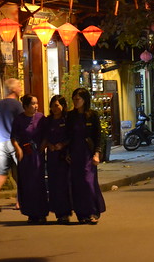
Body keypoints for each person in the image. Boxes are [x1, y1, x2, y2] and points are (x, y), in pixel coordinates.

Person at [66, 88, 106, 224]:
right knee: (77, 184)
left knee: (88, 182)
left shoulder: (92, 115)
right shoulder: (70, 116)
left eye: (78, 99)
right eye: (74, 99)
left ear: (85, 100)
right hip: (74, 153)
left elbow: (98, 136)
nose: (75, 102)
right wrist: (66, 153)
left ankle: (94, 211)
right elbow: (67, 136)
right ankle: (81, 213)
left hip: (87, 153)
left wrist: (97, 153)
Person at [11, 94, 48, 223]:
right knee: (27, 184)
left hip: (37, 155)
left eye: (36, 103)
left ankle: (42, 213)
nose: (36, 106)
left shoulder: (41, 118)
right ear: (25, 106)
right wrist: (18, 148)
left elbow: (46, 134)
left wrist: (43, 145)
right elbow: (13, 137)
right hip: (25, 157)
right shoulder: (19, 120)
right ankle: (31, 213)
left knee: (39, 183)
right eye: (33, 104)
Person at [0, 78, 24, 211]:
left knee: (2, 172)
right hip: (15, 142)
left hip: (2, 142)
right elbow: (21, 123)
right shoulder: (17, 105)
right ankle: (19, 202)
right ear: (13, 89)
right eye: (19, 86)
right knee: (20, 172)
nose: (20, 88)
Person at [42, 95, 71, 224]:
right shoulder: (48, 121)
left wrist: (62, 145)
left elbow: (71, 136)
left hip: (64, 157)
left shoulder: (68, 120)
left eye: (57, 105)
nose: (55, 108)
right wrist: (48, 145)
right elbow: (45, 136)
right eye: (53, 106)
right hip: (52, 156)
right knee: (53, 184)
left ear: (63, 106)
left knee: (64, 184)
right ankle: (58, 212)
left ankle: (66, 212)